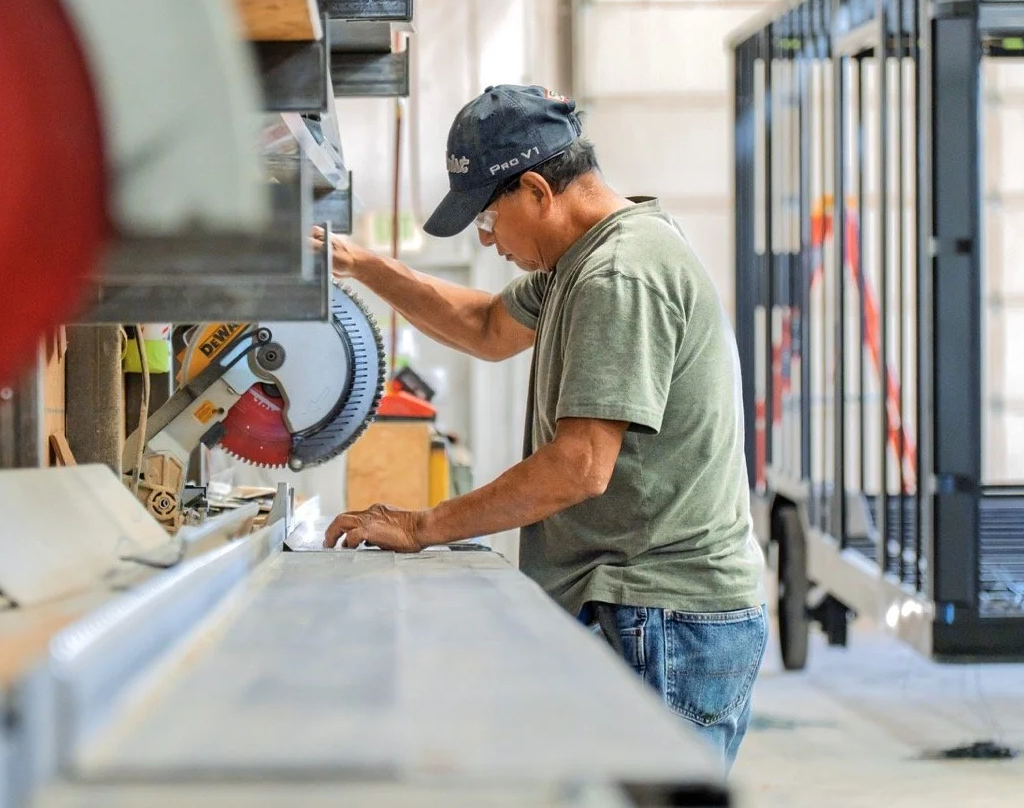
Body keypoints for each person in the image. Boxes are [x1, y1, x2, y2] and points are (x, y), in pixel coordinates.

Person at [315, 84, 767, 773]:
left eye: (488, 221)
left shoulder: (619, 274)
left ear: (536, 189)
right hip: (645, 606)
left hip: (665, 617)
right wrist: (366, 266)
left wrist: (425, 524)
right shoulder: (581, 260)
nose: (489, 242)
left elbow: (579, 464)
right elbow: (488, 326)